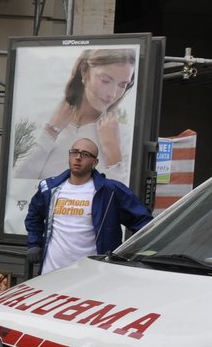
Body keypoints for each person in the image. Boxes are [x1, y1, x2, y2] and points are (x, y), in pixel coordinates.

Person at [13, 48, 138, 191]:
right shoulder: (41, 121)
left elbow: (121, 200)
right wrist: (50, 132)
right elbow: (17, 185)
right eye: (105, 80)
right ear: (84, 70)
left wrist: (112, 152)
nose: (113, 93)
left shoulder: (124, 136)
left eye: (123, 85)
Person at [25, 137, 153, 275]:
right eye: (74, 152)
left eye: (85, 154)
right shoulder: (50, 188)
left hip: (90, 276)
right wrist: (34, 243)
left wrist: (132, 254)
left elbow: (143, 222)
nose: (78, 157)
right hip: (51, 272)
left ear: (95, 162)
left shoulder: (109, 190)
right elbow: (34, 215)